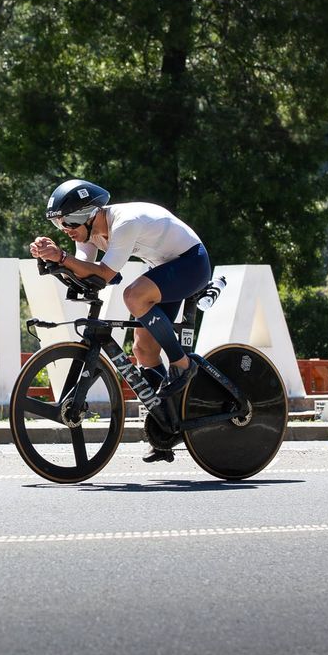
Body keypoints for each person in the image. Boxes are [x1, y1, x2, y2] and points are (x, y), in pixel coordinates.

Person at [28, 178, 212, 462]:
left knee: (133, 296)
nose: (65, 229)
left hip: (192, 263)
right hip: (165, 268)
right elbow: (85, 271)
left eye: (69, 222)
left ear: (89, 214)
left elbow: (105, 274)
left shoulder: (125, 222)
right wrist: (50, 255)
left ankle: (183, 365)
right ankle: (167, 424)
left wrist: (62, 257)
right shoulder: (88, 232)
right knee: (143, 349)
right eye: (58, 224)